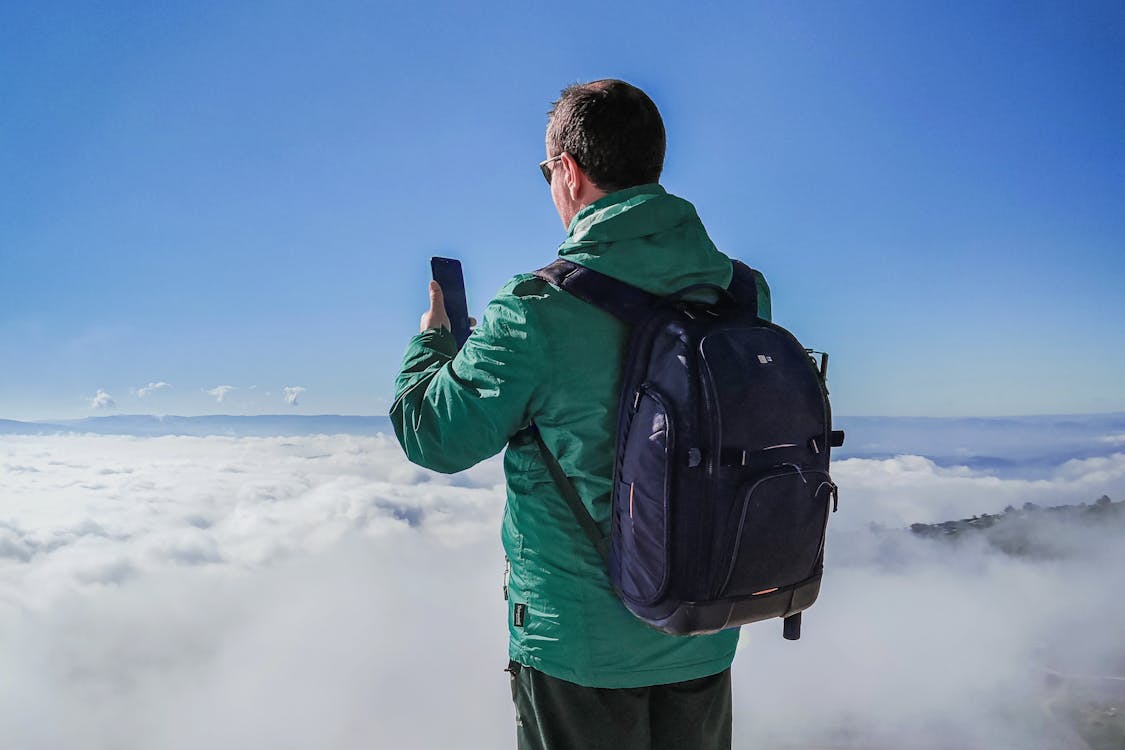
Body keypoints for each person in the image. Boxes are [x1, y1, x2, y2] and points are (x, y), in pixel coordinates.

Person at [391, 79, 770, 750]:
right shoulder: (739, 292)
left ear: (568, 169)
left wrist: (433, 342)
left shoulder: (536, 308)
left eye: (546, 170)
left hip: (580, 649)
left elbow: (435, 438)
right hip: (703, 627)